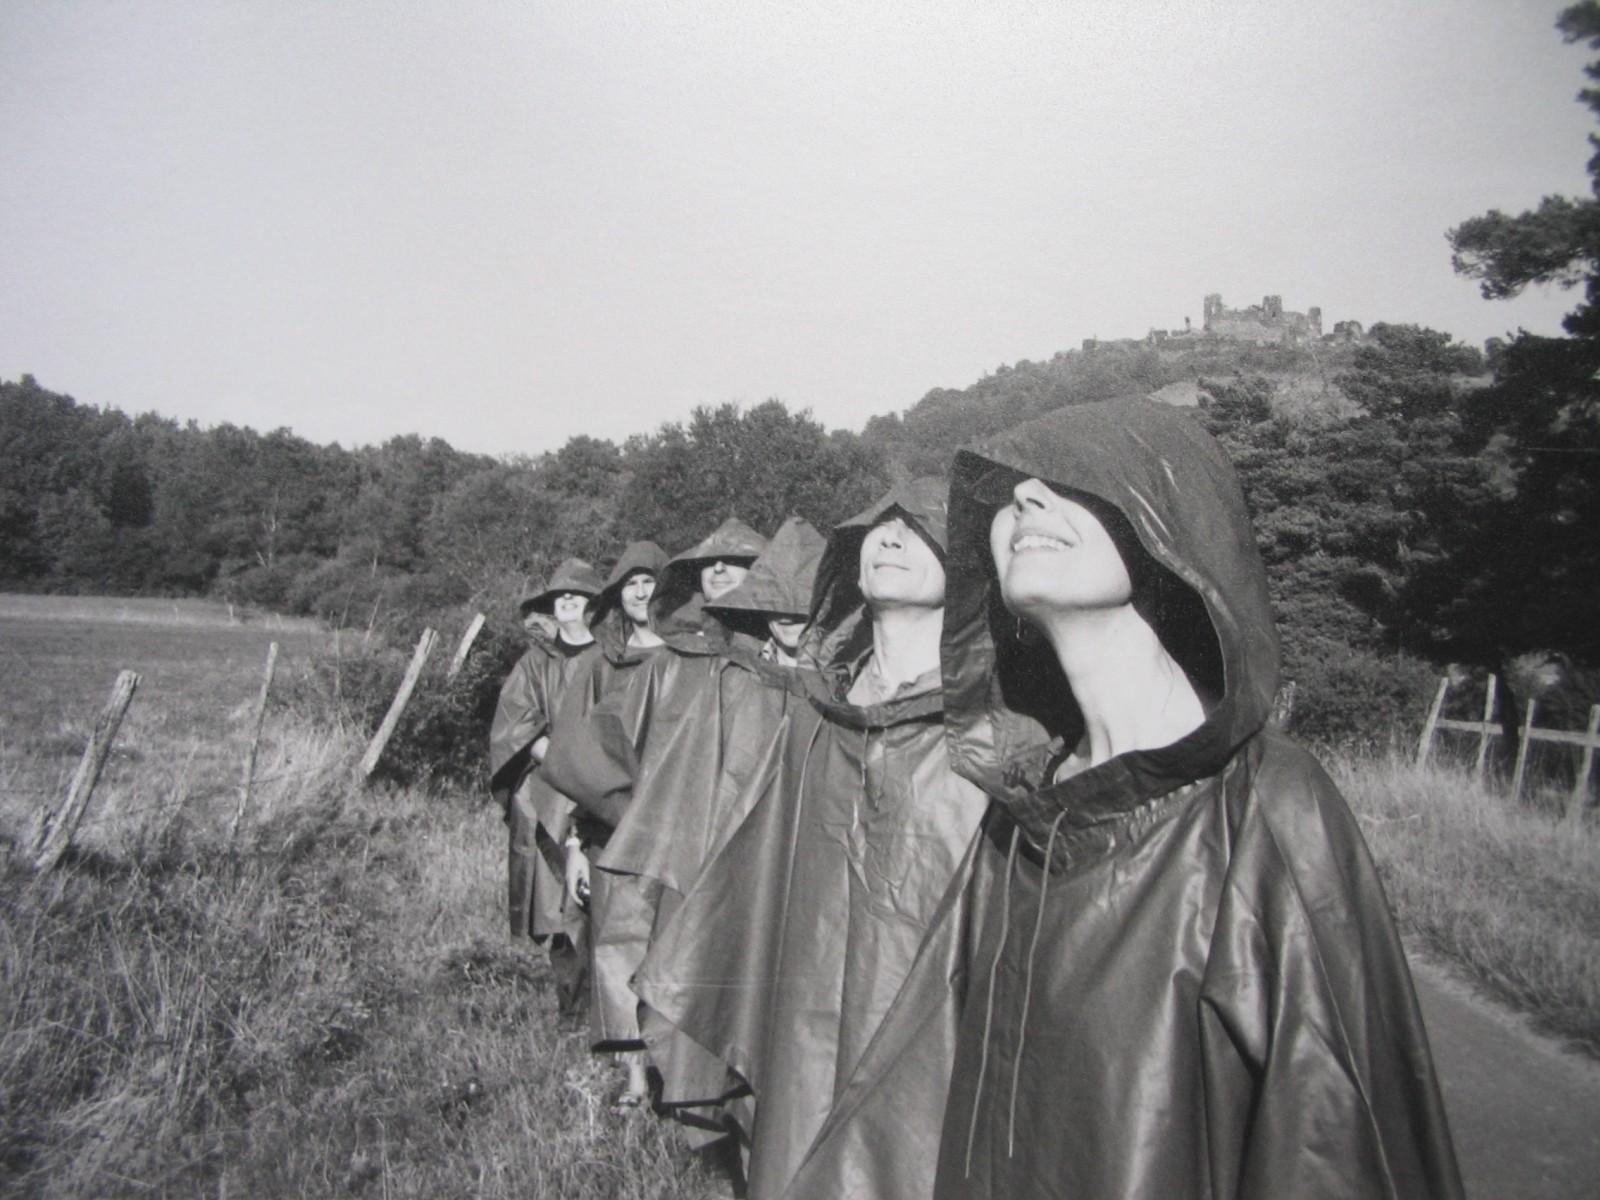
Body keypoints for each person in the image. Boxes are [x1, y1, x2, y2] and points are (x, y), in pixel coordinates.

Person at [931, 398, 1463, 1198]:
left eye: (1068, 482)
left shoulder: (1267, 806)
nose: (1025, 498)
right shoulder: (1025, 813)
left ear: (1169, 528)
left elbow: (1339, 1145)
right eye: (1012, 489)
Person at [635, 479, 990, 1199]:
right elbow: (755, 886)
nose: (888, 539)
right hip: (807, 1025)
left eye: (917, 531)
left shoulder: (992, 727)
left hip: (934, 1035)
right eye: (876, 530)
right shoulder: (812, 719)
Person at [599, 515, 826, 1137]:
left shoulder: (843, 687)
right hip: (722, 863)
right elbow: (655, 770)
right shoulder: (720, 680)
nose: (790, 615)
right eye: (711, 563)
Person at [544, 517, 769, 1110]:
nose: (718, 573)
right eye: (708, 565)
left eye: (736, 563)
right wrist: (593, 836)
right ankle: (654, 1083)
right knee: (639, 950)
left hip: (749, 846)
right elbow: (590, 756)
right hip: (658, 841)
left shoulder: (775, 661)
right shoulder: (663, 665)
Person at [487, 557, 602, 1016]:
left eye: (579, 594)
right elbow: (517, 725)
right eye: (562, 595)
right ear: (552, 605)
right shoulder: (535, 664)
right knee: (557, 905)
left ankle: (610, 1013)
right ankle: (571, 1012)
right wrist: (562, 763)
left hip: (604, 788)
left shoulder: (611, 657)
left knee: (602, 899)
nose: (569, 600)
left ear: (594, 602)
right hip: (548, 792)